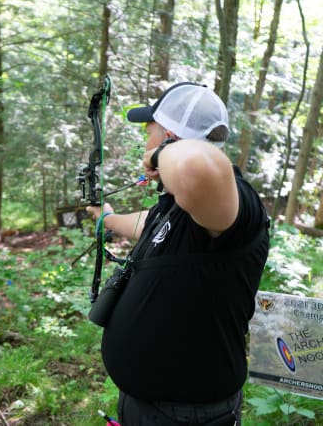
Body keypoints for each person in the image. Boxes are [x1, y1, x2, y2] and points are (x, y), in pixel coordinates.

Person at [87, 82, 270, 425]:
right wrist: (107, 219)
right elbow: (150, 227)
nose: (145, 140)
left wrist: (161, 154)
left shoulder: (235, 205)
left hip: (189, 415)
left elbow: (195, 168)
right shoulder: (182, 210)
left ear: (169, 136)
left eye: (149, 131)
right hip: (146, 406)